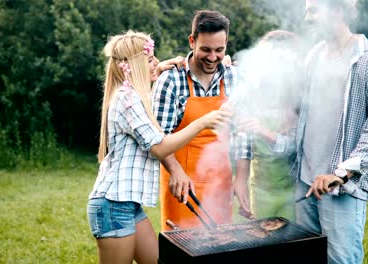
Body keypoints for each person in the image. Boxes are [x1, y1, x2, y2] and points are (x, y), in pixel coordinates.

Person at [86, 30, 231, 264]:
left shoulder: (132, 95)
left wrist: (157, 69)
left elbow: (144, 89)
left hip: (128, 206)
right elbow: (160, 147)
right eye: (150, 60)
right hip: (112, 206)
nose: (156, 62)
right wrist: (202, 122)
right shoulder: (128, 101)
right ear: (133, 65)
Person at [272, 0, 368, 263]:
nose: (308, 18)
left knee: (340, 260)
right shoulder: (313, 56)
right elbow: (303, 112)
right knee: (307, 257)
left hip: (342, 188)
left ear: (337, 10)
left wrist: (340, 173)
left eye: (313, 11)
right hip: (305, 182)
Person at [153, 10, 253, 230]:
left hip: (220, 181)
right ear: (192, 41)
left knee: (220, 247)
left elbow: (243, 133)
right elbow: (159, 137)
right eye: (205, 49)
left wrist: (242, 178)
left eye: (219, 50)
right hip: (180, 181)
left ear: (226, 43)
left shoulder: (235, 77)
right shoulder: (171, 80)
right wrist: (177, 172)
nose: (212, 57)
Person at [236, 30, 303, 221]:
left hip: (291, 191)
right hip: (260, 189)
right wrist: (241, 182)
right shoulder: (253, 89)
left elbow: (295, 147)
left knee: (289, 243)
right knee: (262, 242)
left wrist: (263, 131)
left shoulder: (297, 96)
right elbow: (243, 143)